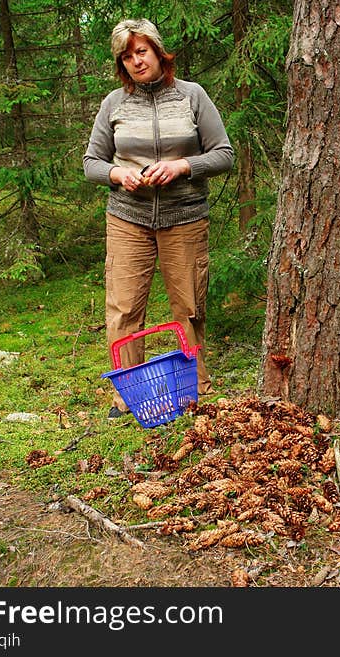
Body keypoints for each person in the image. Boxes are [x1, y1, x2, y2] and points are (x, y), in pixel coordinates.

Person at [83, 18, 234, 419]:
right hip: (128, 219)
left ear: (157, 51)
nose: (136, 61)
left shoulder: (192, 96)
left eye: (141, 51)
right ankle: (127, 396)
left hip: (184, 218)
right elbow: (91, 163)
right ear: (121, 63)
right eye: (127, 56)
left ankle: (193, 389)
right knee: (124, 308)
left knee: (188, 306)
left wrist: (183, 166)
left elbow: (223, 154)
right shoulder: (113, 104)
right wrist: (118, 174)